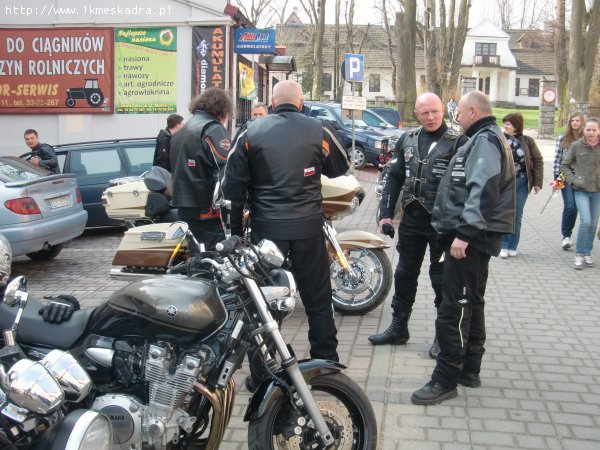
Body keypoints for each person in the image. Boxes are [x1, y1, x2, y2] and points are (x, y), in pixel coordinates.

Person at [222, 80, 349, 367]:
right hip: (308, 228)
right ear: (301, 103)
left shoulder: (250, 132)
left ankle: (262, 369)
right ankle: (326, 361)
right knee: (318, 297)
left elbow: (232, 190)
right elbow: (339, 167)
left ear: (272, 103)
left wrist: (237, 235)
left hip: (267, 231)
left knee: (264, 301)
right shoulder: (319, 130)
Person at [411, 91, 515, 405]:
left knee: (453, 308)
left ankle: (445, 380)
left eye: (459, 112)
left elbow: (483, 190)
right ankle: (469, 370)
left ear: (472, 111)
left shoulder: (485, 141)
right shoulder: (486, 138)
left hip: (470, 238)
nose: (455, 117)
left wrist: (465, 234)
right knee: (472, 302)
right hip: (475, 236)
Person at [369, 93, 468, 359]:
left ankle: (443, 336)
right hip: (412, 219)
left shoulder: (459, 141)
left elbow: (467, 185)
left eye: (435, 111)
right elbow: (394, 176)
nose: (431, 117)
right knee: (404, 274)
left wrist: (464, 227)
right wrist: (385, 213)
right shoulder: (408, 139)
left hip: (443, 223)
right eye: (425, 113)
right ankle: (398, 328)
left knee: (441, 279)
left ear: (443, 110)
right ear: (416, 113)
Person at [170, 88, 233, 251]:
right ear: (222, 109)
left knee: (196, 253)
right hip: (207, 210)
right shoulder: (213, 129)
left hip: (184, 207)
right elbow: (225, 173)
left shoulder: (180, 132)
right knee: (215, 257)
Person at [499, 112, 543, 258]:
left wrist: (537, 182)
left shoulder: (528, 141)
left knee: (517, 215)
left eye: (508, 124)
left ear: (516, 126)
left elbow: (538, 160)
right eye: (505, 123)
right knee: (505, 213)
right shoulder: (500, 139)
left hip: (522, 183)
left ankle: (513, 246)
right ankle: (504, 245)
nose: (505, 126)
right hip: (505, 183)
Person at [560, 116, 600, 270]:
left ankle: (587, 252)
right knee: (586, 221)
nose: (590, 133)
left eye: (594, 130)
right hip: (581, 189)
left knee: (593, 223)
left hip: (597, 190)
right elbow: (564, 165)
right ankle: (579, 254)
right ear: (584, 130)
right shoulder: (577, 145)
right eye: (588, 129)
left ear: (598, 131)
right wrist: (573, 181)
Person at [553, 111, 585, 250]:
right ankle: (566, 236)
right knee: (570, 206)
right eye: (573, 120)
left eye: (577, 120)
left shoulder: (586, 139)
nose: (575, 123)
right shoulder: (563, 137)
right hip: (565, 176)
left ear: (582, 122)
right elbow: (557, 159)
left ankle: (569, 234)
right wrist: (556, 179)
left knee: (576, 207)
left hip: (582, 178)